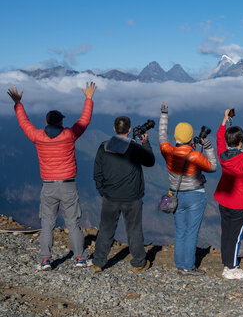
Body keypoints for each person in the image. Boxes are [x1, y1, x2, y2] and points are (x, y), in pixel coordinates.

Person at [7, 83, 96, 270]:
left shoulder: (38, 136)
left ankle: (45, 260)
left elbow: (24, 123)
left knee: (47, 223)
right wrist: (88, 99)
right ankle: (80, 258)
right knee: (73, 223)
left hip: (48, 185)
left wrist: (18, 104)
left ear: (46, 122)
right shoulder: (69, 135)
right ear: (61, 122)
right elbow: (84, 121)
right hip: (68, 185)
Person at [158, 102, 217, 275]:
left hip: (176, 196)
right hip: (195, 196)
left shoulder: (167, 150)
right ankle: (188, 266)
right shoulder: (195, 155)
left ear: (175, 136)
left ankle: (179, 264)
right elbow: (212, 167)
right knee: (192, 231)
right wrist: (209, 148)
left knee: (180, 230)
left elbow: (162, 135)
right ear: (191, 137)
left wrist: (164, 114)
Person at [92, 116, 155, 273]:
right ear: (129, 130)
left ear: (114, 129)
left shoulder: (103, 147)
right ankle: (139, 263)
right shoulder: (134, 149)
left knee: (106, 229)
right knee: (134, 230)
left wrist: (102, 191)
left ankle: (98, 262)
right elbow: (150, 161)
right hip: (132, 197)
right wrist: (145, 143)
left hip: (110, 197)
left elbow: (97, 173)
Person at [214, 109, 243, 280]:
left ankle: (227, 262)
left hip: (223, 200)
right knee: (237, 235)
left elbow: (219, 139)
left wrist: (223, 121)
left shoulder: (223, 156)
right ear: (241, 142)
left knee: (227, 233)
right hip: (240, 203)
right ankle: (231, 268)